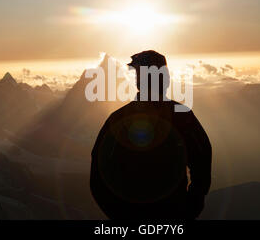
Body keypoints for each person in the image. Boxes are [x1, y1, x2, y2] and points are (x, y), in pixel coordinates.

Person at [90, 50, 212, 220]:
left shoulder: (118, 119)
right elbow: (202, 159)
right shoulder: (182, 115)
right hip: (174, 214)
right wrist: (191, 206)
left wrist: (119, 215)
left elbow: (98, 175)